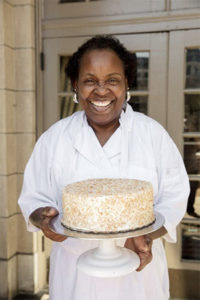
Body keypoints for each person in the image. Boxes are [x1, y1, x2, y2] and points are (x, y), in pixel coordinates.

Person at [18, 35, 190, 300]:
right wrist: (42, 217)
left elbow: (175, 198)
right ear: (75, 86)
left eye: (112, 80)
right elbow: (32, 198)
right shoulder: (54, 139)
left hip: (139, 274)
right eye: (89, 80)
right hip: (75, 276)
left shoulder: (152, 135)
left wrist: (147, 235)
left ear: (126, 84)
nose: (101, 90)